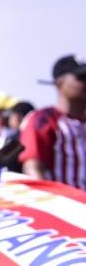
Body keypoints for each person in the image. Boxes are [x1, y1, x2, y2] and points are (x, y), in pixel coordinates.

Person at [19, 55, 86, 190]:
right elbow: (33, 169)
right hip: (66, 207)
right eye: (81, 78)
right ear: (59, 82)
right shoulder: (43, 119)